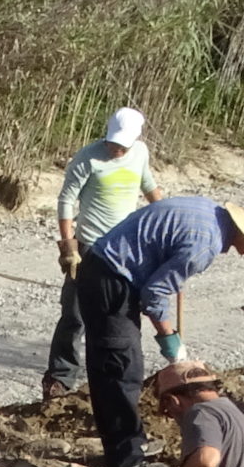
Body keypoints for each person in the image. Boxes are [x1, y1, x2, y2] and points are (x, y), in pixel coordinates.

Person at [74, 194, 244, 467]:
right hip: (111, 278)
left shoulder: (209, 212)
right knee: (121, 368)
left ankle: (130, 444)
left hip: (110, 268)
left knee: (121, 363)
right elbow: (154, 294)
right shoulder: (205, 245)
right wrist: (172, 345)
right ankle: (125, 461)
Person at [44, 107, 162, 401]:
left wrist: (165, 218)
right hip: (91, 248)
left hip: (126, 248)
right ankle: (60, 378)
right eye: (113, 142)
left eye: (123, 144)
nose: (117, 149)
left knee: (122, 314)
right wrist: (68, 244)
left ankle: (117, 376)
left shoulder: (140, 154)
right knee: (75, 315)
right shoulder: (89, 158)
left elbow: (148, 186)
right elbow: (66, 200)